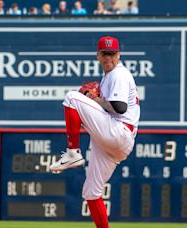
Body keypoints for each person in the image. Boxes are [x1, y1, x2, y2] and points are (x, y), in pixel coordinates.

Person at [49, 36, 140, 228]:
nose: (109, 59)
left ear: (119, 55)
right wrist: (95, 100)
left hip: (118, 130)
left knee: (72, 98)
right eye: (105, 54)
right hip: (114, 143)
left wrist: (95, 100)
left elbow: (120, 107)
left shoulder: (119, 74)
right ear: (97, 55)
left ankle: (73, 153)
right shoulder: (108, 77)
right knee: (91, 192)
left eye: (112, 54)